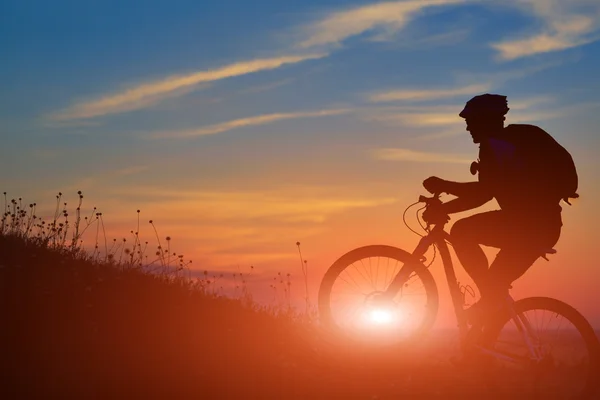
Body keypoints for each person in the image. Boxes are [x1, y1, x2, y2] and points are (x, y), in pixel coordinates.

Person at [421, 93, 578, 331]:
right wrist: (446, 203)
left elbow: (483, 193)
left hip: (527, 227)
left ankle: (490, 308)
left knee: (462, 231)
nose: (467, 128)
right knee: (494, 290)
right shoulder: (509, 144)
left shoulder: (497, 146)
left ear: (485, 120)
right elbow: (486, 192)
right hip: (540, 227)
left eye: (470, 121)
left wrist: (444, 191)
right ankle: (480, 354)